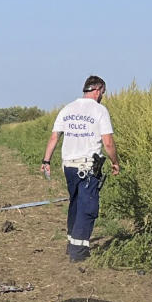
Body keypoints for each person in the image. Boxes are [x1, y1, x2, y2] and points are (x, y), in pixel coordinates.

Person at [41, 75, 120, 262]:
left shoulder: (67, 109)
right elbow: (108, 142)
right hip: (87, 167)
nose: (103, 96)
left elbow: (54, 138)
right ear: (98, 89)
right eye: (103, 92)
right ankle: (78, 253)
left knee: (75, 204)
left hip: (68, 166)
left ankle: (71, 245)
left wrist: (46, 161)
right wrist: (115, 162)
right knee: (88, 207)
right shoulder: (100, 110)